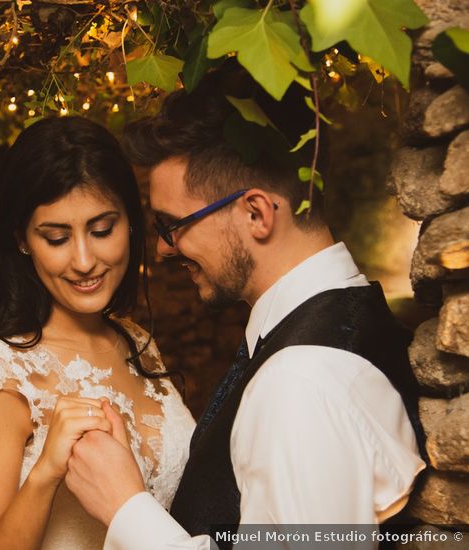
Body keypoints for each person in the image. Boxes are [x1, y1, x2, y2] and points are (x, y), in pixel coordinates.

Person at [63, 68, 427, 549]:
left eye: (173, 225)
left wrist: (126, 508)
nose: (164, 250)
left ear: (256, 213)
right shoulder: (337, 326)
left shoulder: (301, 382)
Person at [0, 116, 196, 550]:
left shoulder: (138, 343)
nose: (84, 260)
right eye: (57, 238)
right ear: (23, 240)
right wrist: (46, 473)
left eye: (102, 230)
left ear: (131, 222)